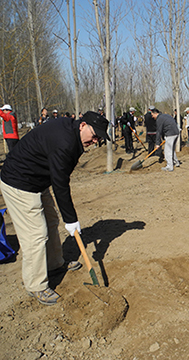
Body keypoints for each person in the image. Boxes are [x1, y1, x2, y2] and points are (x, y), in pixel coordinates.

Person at [0, 111, 110, 305]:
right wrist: (72, 219)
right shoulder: (65, 141)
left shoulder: (75, 135)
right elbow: (60, 184)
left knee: (51, 220)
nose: (95, 141)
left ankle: (54, 264)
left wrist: (69, 219)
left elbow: (61, 177)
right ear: (82, 125)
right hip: (19, 182)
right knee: (36, 234)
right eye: (94, 135)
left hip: (39, 179)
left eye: (99, 138)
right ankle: (36, 285)